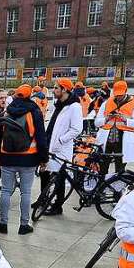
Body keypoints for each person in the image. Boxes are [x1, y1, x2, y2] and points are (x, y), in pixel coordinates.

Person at [0, 84, 47, 235]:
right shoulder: (34, 112)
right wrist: (43, 159)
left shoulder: (5, 112)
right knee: (26, 192)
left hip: (7, 158)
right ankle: (24, 225)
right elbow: (41, 138)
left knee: (5, 191)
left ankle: (3, 223)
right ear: (30, 96)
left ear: (15, 95)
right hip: (29, 159)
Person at [40, 78, 83, 216]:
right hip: (50, 143)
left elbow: (77, 129)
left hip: (60, 147)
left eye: (56, 88)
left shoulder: (74, 106)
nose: (54, 90)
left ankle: (58, 206)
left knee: (59, 177)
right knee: (45, 172)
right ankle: (43, 199)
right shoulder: (59, 104)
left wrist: (61, 139)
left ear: (64, 89)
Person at [95, 80, 134, 173]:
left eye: (120, 95)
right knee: (103, 167)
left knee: (120, 169)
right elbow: (96, 122)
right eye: (116, 94)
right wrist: (106, 119)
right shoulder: (106, 103)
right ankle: (101, 185)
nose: (118, 97)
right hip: (106, 140)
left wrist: (125, 120)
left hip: (123, 141)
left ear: (126, 91)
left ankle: (118, 186)